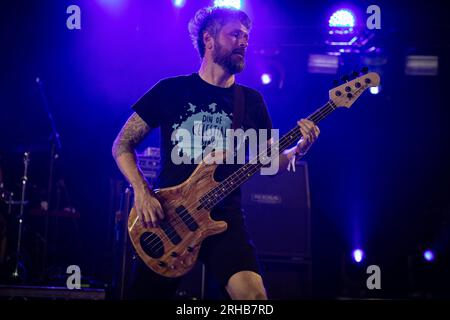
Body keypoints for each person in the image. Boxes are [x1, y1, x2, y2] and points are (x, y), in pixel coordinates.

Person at [112, 6, 320, 300]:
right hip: (170, 218)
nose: (244, 42)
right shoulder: (170, 90)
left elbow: (269, 160)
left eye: (246, 36)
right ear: (208, 39)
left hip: (225, 218)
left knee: (254, 300)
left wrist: (298, 149)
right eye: (235, 34)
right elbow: (121, 144)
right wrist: (141, 191)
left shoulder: (251, 101)